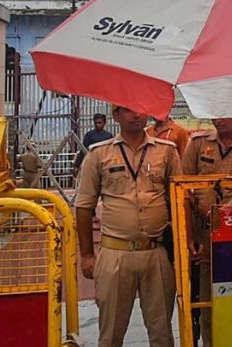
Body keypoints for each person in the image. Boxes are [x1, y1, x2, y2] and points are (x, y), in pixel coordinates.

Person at [75, 105, 182, 347]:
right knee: (111, 333)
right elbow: (84, 207)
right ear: (116, 115)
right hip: (115, 253)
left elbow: (178, 200)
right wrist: (87, 254)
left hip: (156, 253)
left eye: (141, 109)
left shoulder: (166, 152)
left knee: (162, 332)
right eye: (128, 110)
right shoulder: (98, 154)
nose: (136, 115)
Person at [182, 115, 232, 346]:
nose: (219, 119)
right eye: (215, 114)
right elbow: (183, 191)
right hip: (207, 240)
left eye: (225, 113)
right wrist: (192, 236)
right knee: (208, 304)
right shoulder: (197, 145)